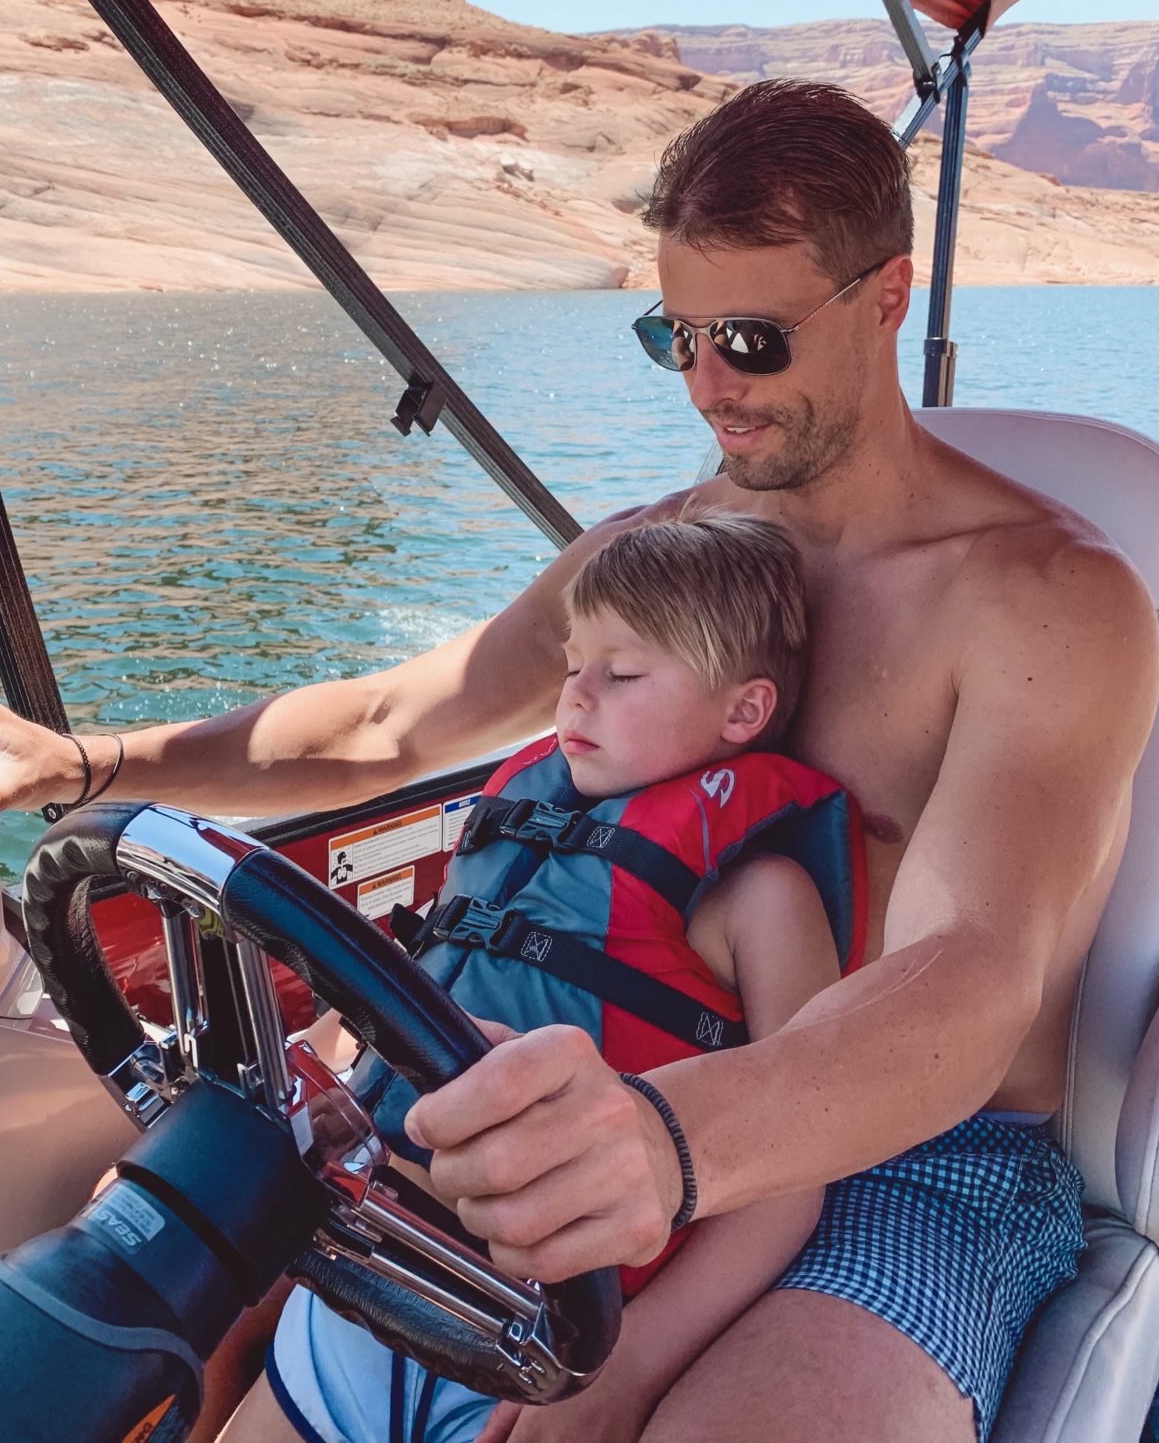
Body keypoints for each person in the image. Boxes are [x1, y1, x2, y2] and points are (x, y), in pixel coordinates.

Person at [0, 80, 1159, 1442]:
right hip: (585, 1089)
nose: (707, 385)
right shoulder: (652, 563)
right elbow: (388, 724)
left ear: (887, 295)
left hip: (917, 1162)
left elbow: (972, 970)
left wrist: (669, 1138)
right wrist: (82, 761)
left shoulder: (1048, 602)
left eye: (751, 340)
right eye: (675, 336)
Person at [260, 512, 862, 1443]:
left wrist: (629, 1371)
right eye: (573, 666)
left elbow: (793, 1174)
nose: (575, 698)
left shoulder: (762, 901)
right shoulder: (519, 839)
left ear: (744, 712)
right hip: (369, 1268)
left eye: (622, 675)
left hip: (545, 1340)